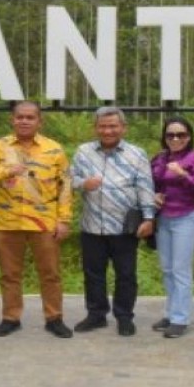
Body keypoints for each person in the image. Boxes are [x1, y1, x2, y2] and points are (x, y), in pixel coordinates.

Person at [0, 101, 73, 338]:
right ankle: (11, 318)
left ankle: (54, 318)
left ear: (39, 121)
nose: (24, 121)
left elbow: (66, 187)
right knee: (9, 275)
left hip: (44, 223)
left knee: (50, 273)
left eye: (30, 117)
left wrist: (64, 220)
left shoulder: (54, 150)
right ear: (13, 119)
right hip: (7, 222)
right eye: (20, 117)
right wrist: (6, 172)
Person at [70, 107, 156, 336]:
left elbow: (145, 187)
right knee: (93, 274)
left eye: (113, 126)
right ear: (96, 128)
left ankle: (124, 316)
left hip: (124, 227)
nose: (108, 130)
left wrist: (148, 218)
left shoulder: (137, 154)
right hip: (92, 225)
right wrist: (82, 184)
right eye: (103, 126)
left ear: (123, 128)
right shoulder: (83, 151)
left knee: (126, 274)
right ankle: (96, 315)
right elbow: (69, 179)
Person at [150, 116, 194, 339]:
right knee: (166, 269)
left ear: (189, 136)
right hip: (163, 217)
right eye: (170, 135)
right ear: (164, 137)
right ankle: (170, 312)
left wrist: (184, 175)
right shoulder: (159, 158)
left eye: (181, 135)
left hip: (186, 216)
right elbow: (150, 183)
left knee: (180, 269)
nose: (175, 139)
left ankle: (180, 318)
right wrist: (153, 195)